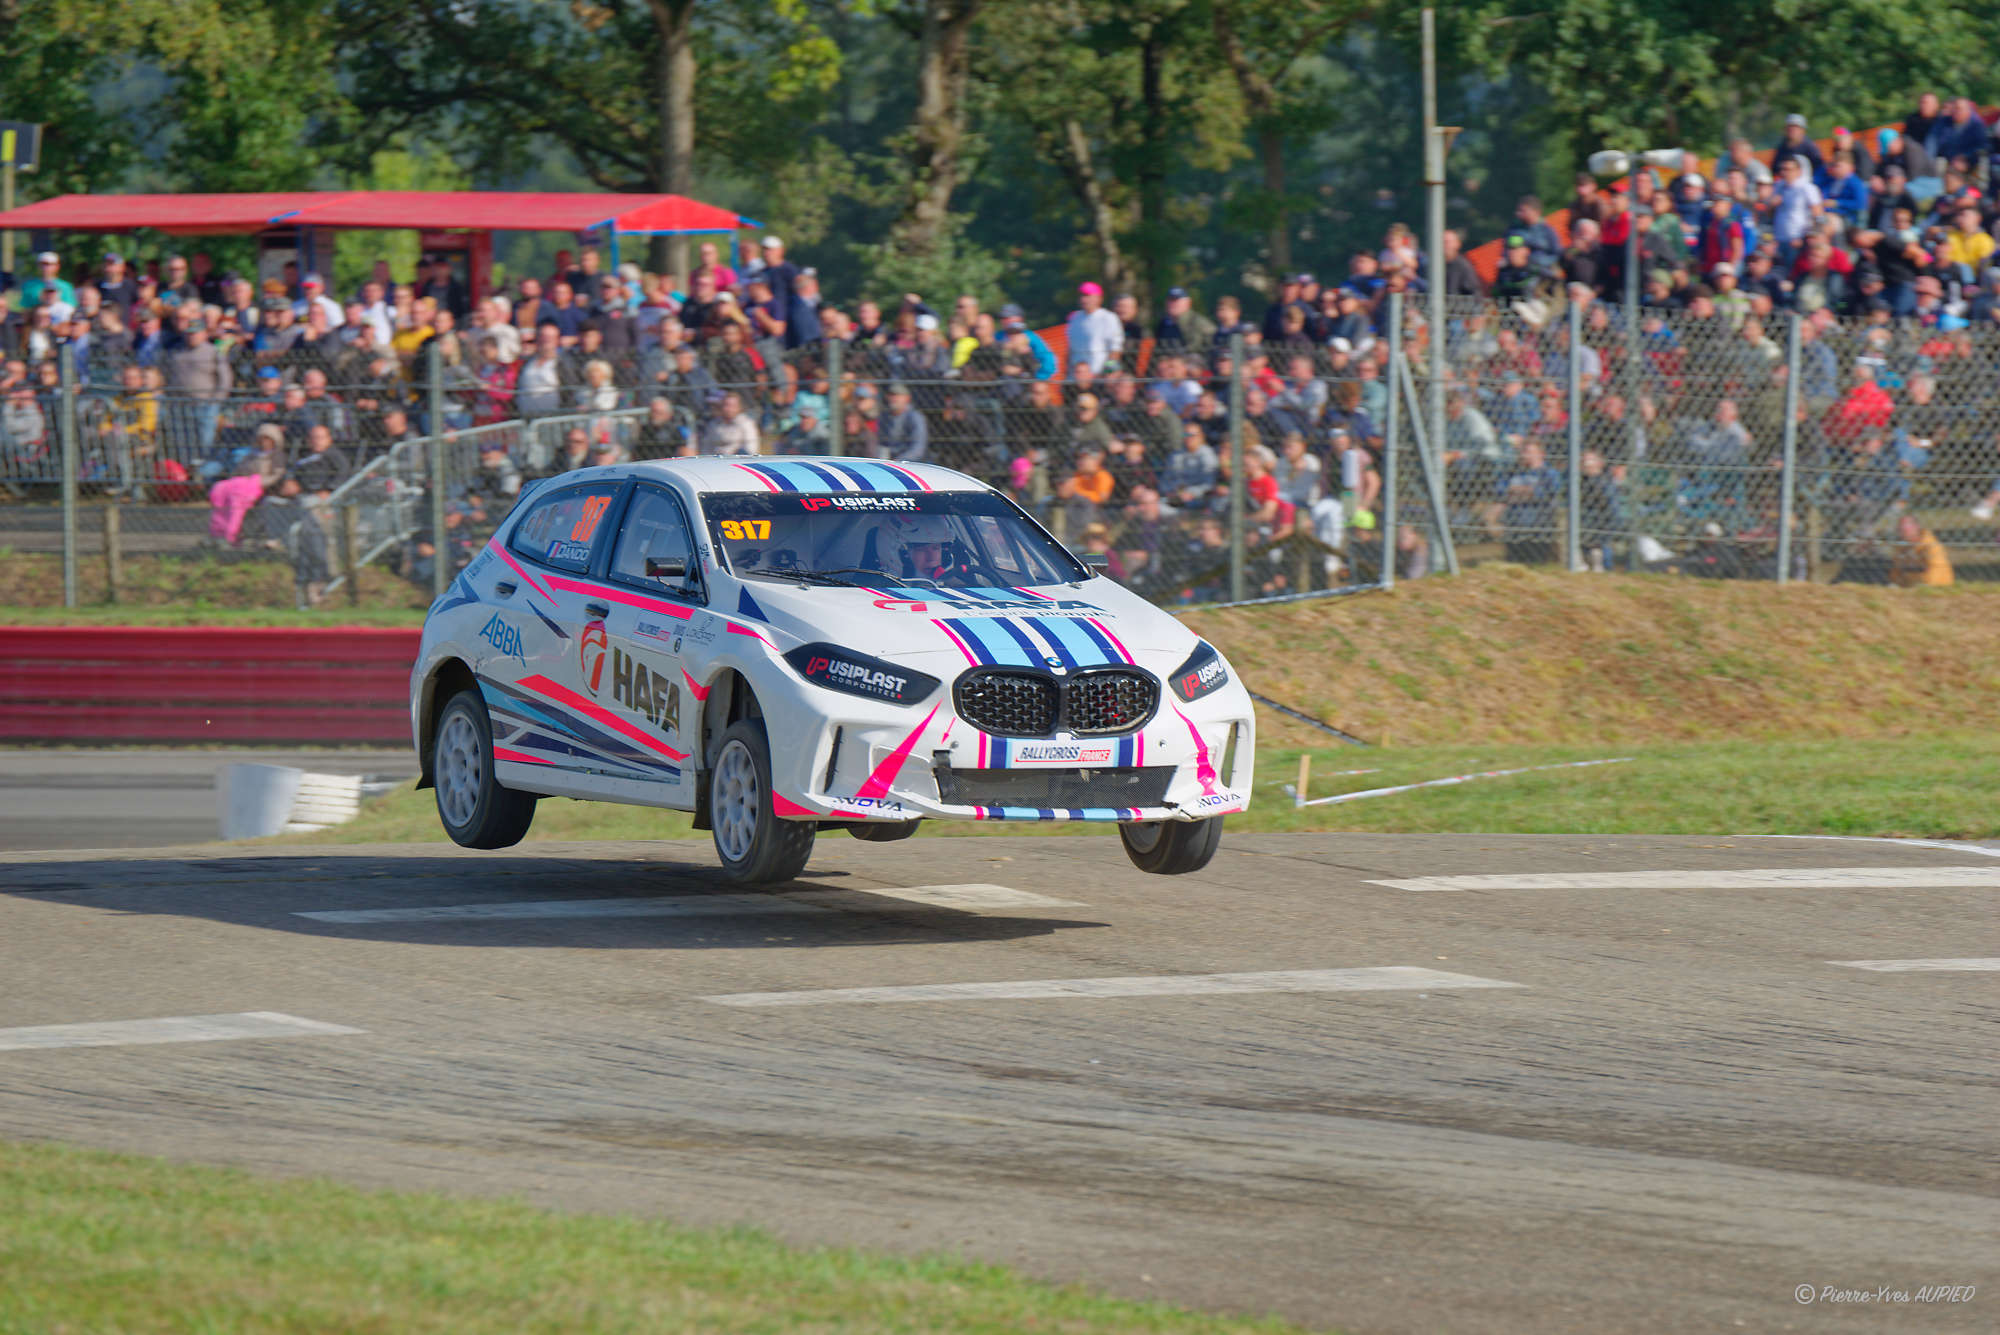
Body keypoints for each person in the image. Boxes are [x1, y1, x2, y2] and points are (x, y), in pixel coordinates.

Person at [1890, 512, 1953, 587]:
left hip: (1934, 586)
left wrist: (1926, 586)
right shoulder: (1903, 548)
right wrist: (1896, 583)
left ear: (1917, 527)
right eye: (1900, 530)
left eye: (1905, 529)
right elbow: (1896, 571)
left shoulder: (1931, 546)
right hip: (1909, 586)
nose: (1902, 533)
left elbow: (1937, 570)